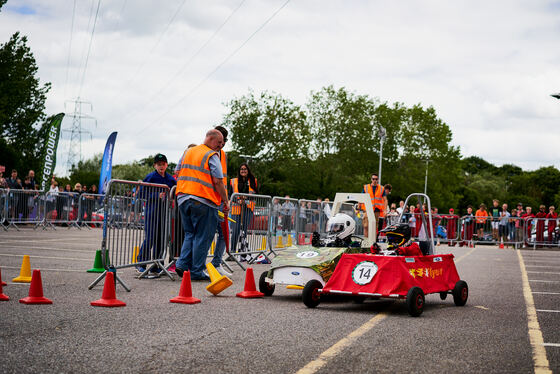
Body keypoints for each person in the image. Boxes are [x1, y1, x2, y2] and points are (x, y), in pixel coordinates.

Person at [175, 129, 229, 281]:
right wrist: (225, 200)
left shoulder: (189, 152)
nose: (221, 146)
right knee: (203, 237)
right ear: (210, 139)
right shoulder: (211, 155)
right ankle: (196, 271)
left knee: (190, 233)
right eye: (219, 142)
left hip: (183, 197)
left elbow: (177, 171)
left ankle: (182, 264)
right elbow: (218, 181)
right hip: (203, 200)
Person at [136, 154, 177, 275]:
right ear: (155, 165)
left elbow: (176, 191)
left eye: (163, 164)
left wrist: (172, 198)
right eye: (159, 164)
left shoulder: (170, 179)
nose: (161, 166)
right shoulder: (150, 177)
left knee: (161, 239)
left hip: (164, 213)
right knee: (150, 238)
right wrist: (155, 196)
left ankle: (157, 264)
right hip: (152, 213)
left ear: (166, 165)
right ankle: (141, 263)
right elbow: (141, 195)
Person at [210, 125, 231, 275]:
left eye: (224, 141)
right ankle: (197, 266)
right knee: (206, 234)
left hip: (220, 201)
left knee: (224, 233)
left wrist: (225, 199)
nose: (222, 144)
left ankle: (216, 263)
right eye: (220, 141)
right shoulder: (207, 153)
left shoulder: (222, 155)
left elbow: (221, 180)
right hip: (209, 199)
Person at [229, 163, 258, 261]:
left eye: (245, 169)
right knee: (236, 230)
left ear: (248, 170)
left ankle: (242, 252)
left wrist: (246, 198)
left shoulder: (253, 181)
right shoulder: (233, 181)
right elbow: (230, 195)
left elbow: (256, 194)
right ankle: (232, 252)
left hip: (248, 208)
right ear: (239, 171)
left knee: (244, 231)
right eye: (241, 169)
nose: (243, 170)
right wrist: (238, 200)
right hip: (237, 209)